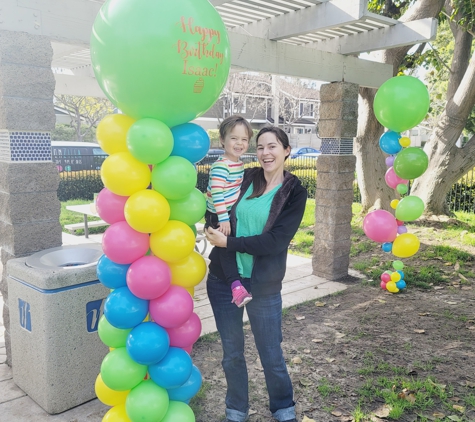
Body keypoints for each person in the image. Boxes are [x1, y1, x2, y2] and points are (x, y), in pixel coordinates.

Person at [205, 126, 307, 422]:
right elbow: (215, 211)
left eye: (272, 146)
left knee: (271, 353)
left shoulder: (294, 192)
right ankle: (236, 409)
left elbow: (276, 241)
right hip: (225, 279)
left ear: (286, 150)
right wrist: (212, 223)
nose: (265, 153)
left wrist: (230, 242)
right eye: (260, 147)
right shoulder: (245, 177)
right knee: (232, 353)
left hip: (263, 283)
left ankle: (283, 407)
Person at [205, 115, 254, 307]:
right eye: (234, 138)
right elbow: (217, 193)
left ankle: (236, 284)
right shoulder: (221, 165)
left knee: (227, 245)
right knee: (225, 246)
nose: (239, 143)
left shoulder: (238, 163)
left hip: (226, 213)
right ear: (223, 140)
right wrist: (223, 219)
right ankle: (236, 287)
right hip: (218, 213)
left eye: (244, 139)